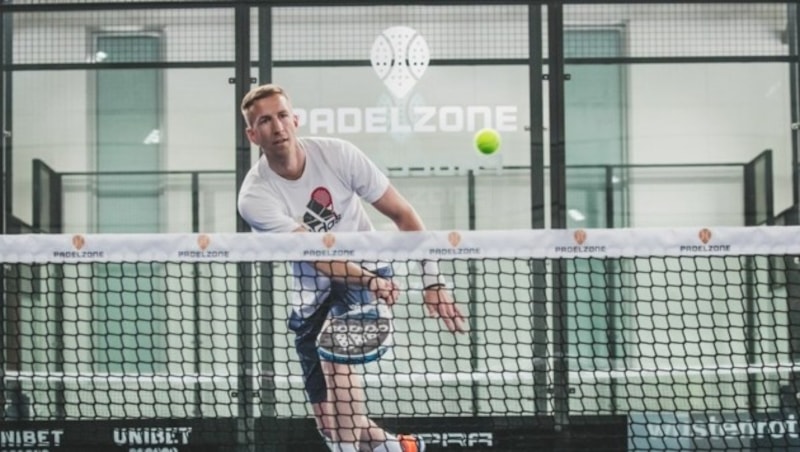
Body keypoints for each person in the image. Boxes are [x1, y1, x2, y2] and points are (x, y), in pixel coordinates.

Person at [237, 83, 467, 452]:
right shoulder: (255, 196)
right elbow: (318, 256)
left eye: (282, 116)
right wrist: (371, 281)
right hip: (321, 286)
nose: (277, 126)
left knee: (336, 359)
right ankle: (398, 448)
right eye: (264, 121)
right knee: (330, 421)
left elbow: (403, 215)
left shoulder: (339, 155)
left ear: (295, 119)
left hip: (367, 268)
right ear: (253, 134)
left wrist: (432, 281)